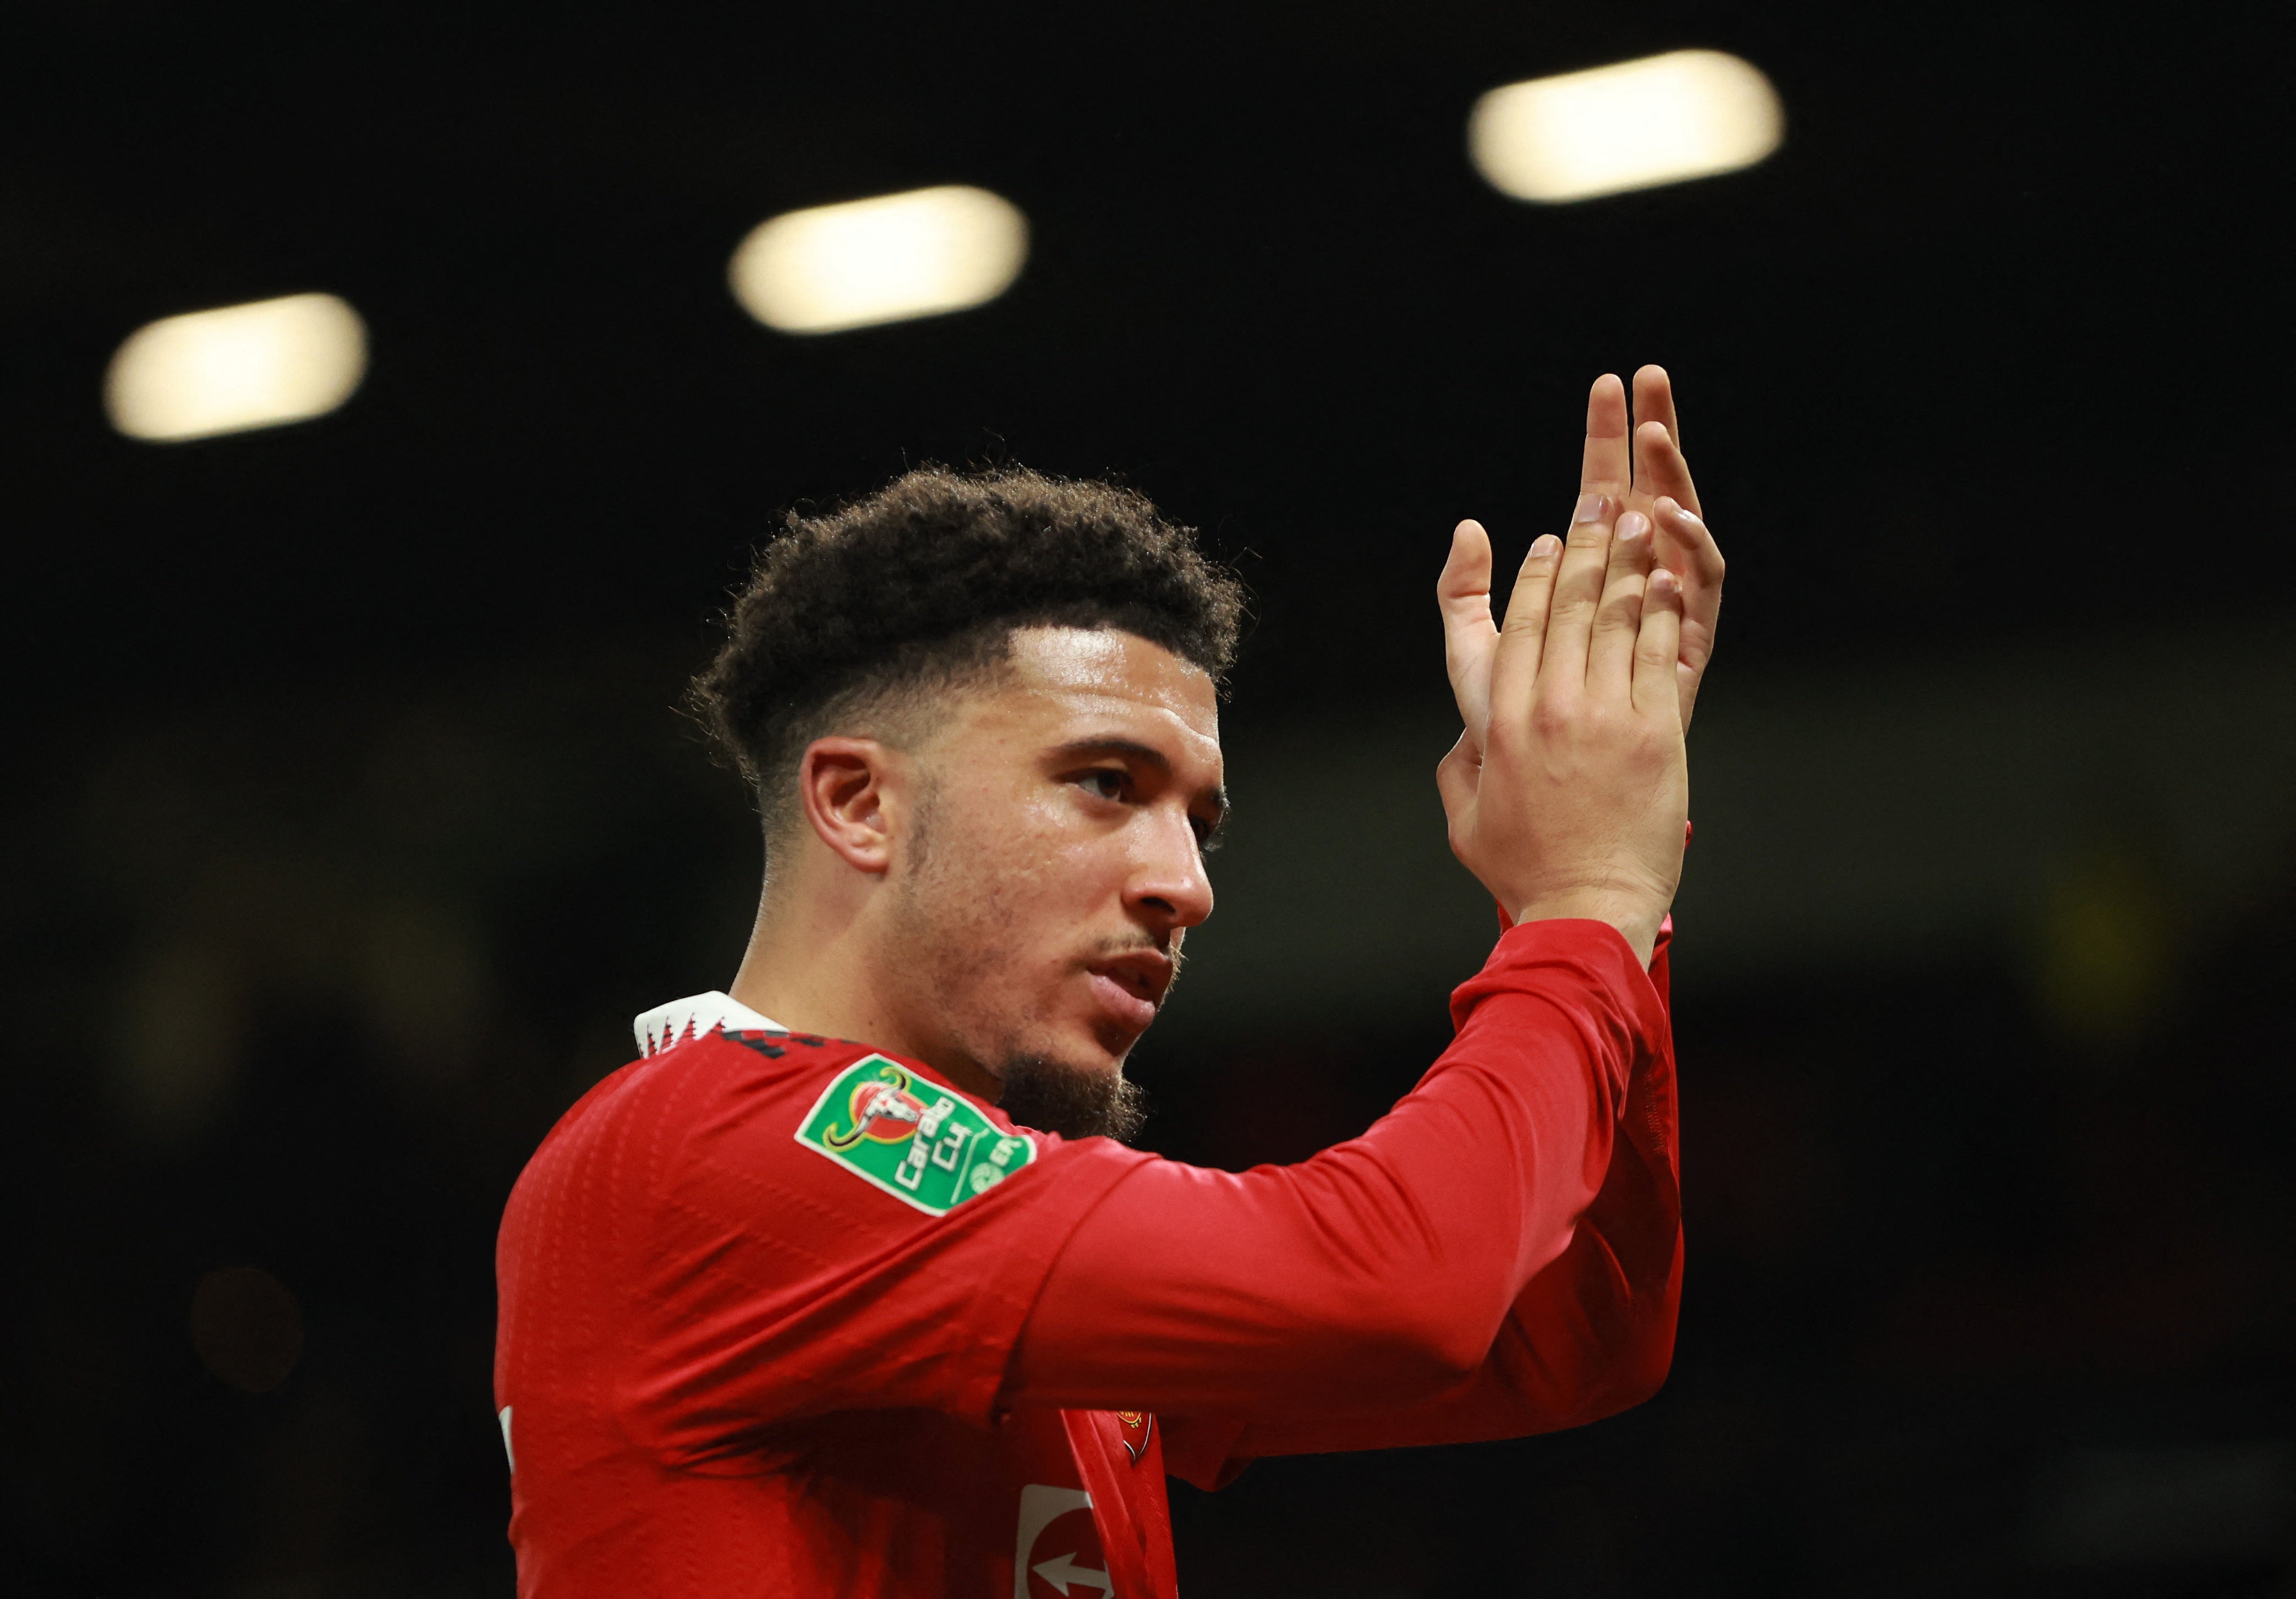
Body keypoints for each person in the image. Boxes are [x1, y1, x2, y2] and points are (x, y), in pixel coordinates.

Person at [493, 368, 1725, 1597]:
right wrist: (1581, 901)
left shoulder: (957, 1225)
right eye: (1105, 783)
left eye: (1200, 821)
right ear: (858, 802)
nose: (1184, 884)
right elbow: (1399, 1287)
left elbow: (1569, 1330)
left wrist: (1606, 908)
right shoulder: (710, 1148)